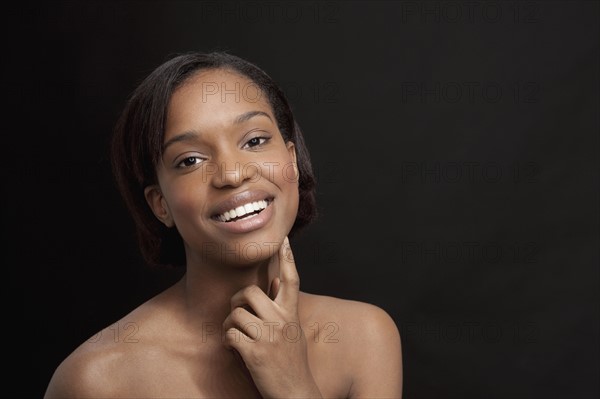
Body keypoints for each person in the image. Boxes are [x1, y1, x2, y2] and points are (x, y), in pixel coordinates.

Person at [44, 51, 403, 398]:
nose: (232, 174)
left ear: (292, 161)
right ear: (160, 204)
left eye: (255, 140)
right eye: (190, 160)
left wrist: (294, 387)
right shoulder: (98, 380)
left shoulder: (364, 338)